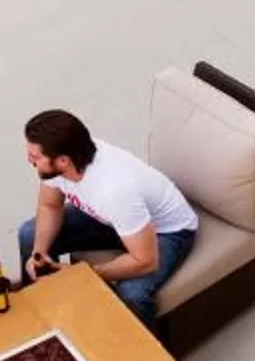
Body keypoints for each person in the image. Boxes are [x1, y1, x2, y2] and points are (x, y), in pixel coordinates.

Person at [17, 108, 198, 326]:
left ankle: (144, 346)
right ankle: (39, 315)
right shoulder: (66, 156)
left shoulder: (114, 192)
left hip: (167, 232)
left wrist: (81, 274)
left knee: (132, 293)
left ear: (63, 161)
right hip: (113, 220)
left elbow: (146, 261)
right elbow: (50, 206)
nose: (29, 161)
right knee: (29, 234)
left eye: (35, 157)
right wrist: (39, 253)